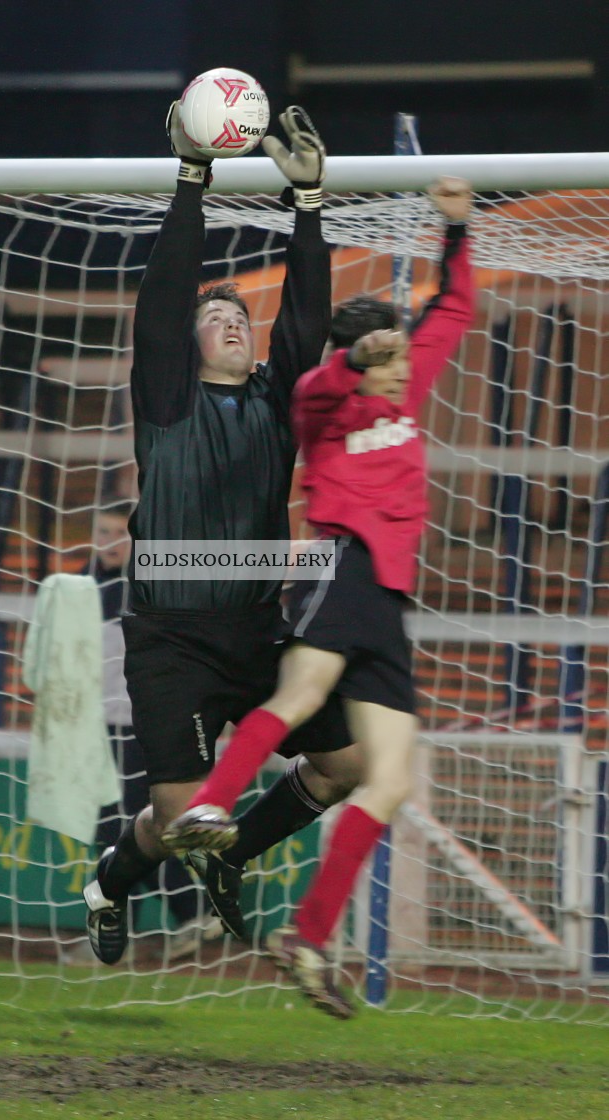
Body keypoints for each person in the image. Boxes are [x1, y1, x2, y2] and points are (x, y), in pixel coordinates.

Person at [162, 177, 476, 1017]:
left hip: (387, 604)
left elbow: (453, 309)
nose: (402, 361)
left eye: (399, 350)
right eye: (386, 351)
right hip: (337, 568)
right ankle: (208, 805)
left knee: (388, 780)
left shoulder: (406, 389)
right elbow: (314, 391)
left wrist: (456, 231)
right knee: (300, 695)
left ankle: (305, 937)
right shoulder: (324, 405)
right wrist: (350, 361)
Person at [82, 98, 362, 967]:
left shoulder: (278, 407)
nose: (232, 319)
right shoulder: (166, 401)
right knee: (177, 820)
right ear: (189, 342)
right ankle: (111, 882)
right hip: (169, 638)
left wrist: (307, 207)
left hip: (256, 629)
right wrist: (191, 181)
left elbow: (307, 326)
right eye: (216, 316)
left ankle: (238, 854)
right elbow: (163, 303)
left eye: (243, 315)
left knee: (344, 767)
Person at [78, 502, 221, 961]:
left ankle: (186, 913)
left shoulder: (145, 585)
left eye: (119, 533)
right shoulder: (84, 586)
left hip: (137, 727)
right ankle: (167, 919)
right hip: (101, 725)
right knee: (116, 828)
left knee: (132, 827)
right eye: (102, 531)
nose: (110, 542)